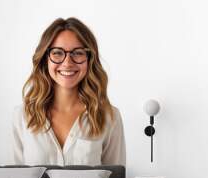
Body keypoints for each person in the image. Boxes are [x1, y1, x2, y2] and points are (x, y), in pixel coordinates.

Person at [12, 17, 126, 166]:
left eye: (77, 53)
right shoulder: (22, 116)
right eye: (58, 53)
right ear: (45, 59)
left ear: (89, 59)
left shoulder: (109, 117)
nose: (67, 63)